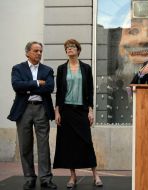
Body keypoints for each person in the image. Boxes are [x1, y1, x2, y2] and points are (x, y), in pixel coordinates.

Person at [53, 39, 103, 188]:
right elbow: (59, 92)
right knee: (68, 144)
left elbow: (90, 91)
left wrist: (90, 110)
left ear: (78, 50)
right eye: (67, 47)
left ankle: (95, 174)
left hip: (81, 110)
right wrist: (57, 111)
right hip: (66, 110)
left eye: (72, 47)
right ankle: (72, 177)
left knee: (86, 142)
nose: (69, 49)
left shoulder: (86, 68)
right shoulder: (61, 68)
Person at [7, 41, 57, 189]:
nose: (39, 54)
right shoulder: (18, 68)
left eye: (40, 51)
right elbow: (17, 86)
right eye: (36, 51)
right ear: (27, 52)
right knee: (25, 145)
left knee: (44, 146)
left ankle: (45, 179)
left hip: (42, 109)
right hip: (24, 110)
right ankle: (29, 178)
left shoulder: (47, 70)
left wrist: (28, 88)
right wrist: (36, 83)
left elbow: (49, 87)